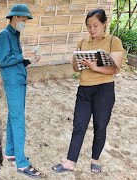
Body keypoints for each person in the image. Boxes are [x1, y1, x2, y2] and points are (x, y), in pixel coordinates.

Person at [52, 8, 125, 173]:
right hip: (84, 89)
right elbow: (75, 68)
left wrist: (94, 67)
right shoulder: (83, 43)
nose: (92, 30)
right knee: (79, 125)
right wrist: (79, 63)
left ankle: (95, 159)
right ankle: (70, 161)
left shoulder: (114, 41)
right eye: (89, 26)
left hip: (104, 90)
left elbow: (115, 69)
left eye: (95, 25)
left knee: (100, 126)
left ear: (104, 24)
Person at [0, 4, 42, 178]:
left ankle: (10, 152)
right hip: (13, 83)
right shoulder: (4, 35)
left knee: (13, 116)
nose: (25, 22)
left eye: (26, 20)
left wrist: (28, 60)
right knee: (18, 120)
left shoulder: (15, 35)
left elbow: (14, 61)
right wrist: (22, 55)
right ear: (14, 18)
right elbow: (3, 60)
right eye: (23, 20)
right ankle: (22, 164)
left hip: (19, 80)